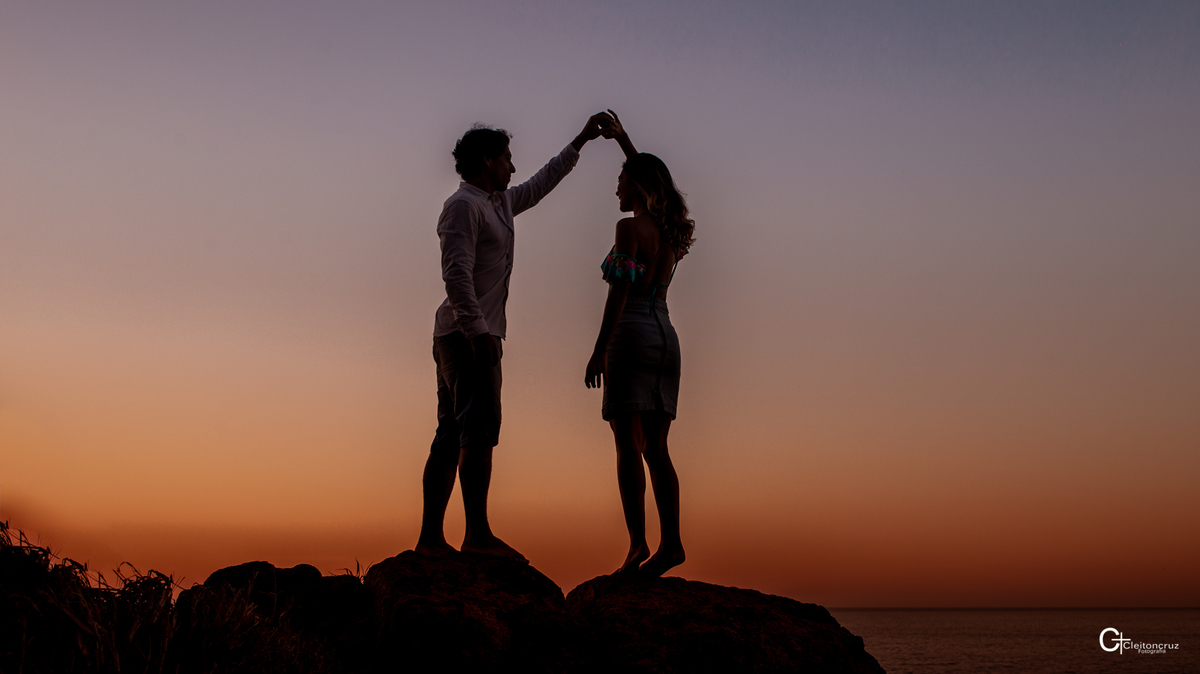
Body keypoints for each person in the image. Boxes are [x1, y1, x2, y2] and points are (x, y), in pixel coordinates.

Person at [417, 113, 615, 560]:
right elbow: (456, 275)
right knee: (476, 431)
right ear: (486, 160)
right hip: (466, 336)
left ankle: (433, 539)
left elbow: (543, 182)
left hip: (469, 333)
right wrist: (477, 332)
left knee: (452, 432)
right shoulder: (463, 206)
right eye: (506, 157)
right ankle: (475, 535)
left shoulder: (498, 202)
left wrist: (581, 139)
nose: (512, 165)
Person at [585, 111, 695, 577]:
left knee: (627, 445)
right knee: (659, 450)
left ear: (635, 187)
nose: (615, 189)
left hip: (629, 335)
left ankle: (637, 545)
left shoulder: (629, 230)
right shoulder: (671, 232)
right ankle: (672, 543)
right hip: (665, 339)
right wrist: (625, 142)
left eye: (621, 181)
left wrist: (598, 348)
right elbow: (661, 188)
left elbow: (619, 292)